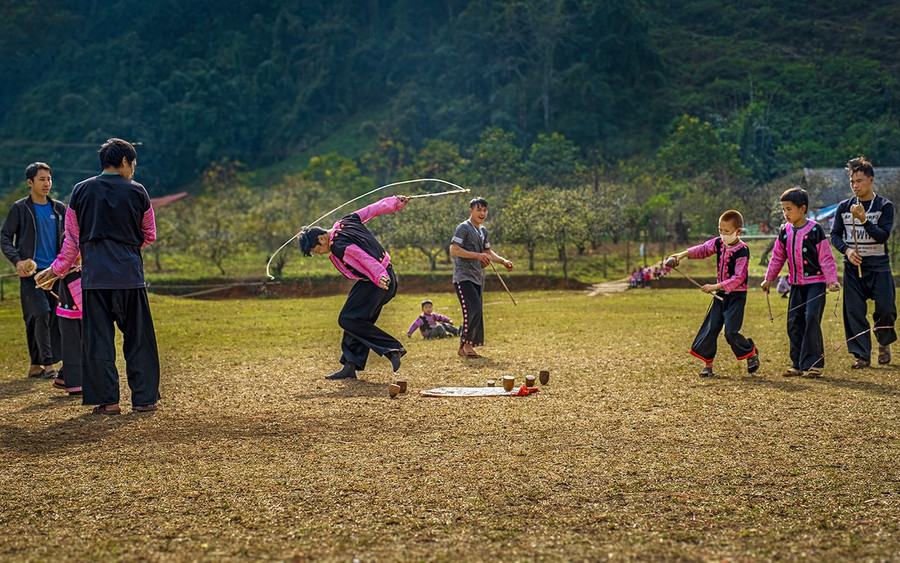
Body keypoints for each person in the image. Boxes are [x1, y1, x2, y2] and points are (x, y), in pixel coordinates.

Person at [36, 138, 160, 415]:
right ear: (125, 162)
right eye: (134, 163)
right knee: (138, 339)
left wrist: (54, 271)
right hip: (130, 277)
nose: (134, 169)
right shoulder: (139, 192)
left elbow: (71, 242)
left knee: (99, 341)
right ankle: (144, 399)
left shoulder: (80, 191)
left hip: (95, 280)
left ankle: (109, 402)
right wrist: (125, 247)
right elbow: (149, 234)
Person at [298, 195, 410, 380]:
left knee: (347, 319)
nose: (320, 254)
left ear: (321, 239)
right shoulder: (345, 221)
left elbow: (362, 258)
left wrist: (379, 276)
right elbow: (372, 209)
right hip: (381, 278)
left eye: (317, 251)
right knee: (354, 318)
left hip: (378, 279)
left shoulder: (338, 245)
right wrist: (395, 203)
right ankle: (350, 365)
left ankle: (392, 348)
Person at [667, 210, 759, 377]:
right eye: (720, 231)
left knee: (731, 331)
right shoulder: (719, 243)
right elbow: (702, 249)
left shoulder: (742, 250)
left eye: (727, 231)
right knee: (711, 328)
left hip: (736, 296)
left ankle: (751, 352)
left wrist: (716, 286)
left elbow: (739, 277)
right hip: (720, 295)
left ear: (738, 231)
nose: (723, 235)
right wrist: (681, 255)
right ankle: (708, 365)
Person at [762, 187, 840, 378]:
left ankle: (813, 364)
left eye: (789, 209)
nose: (785, 213)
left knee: (811, 317)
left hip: (816, 284)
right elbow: (777, 257)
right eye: (783, 209)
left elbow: (826, 258)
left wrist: (832, 280)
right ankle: (796, 364)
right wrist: (768, 278)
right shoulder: (784, 231)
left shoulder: (815, 230)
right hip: (796, 284)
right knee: (794, 322)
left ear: (802, 208)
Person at [829, 156, 896, 369]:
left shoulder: (885, 206)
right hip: (853, 267)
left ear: (871, 180)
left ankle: (884, 343)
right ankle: (862, 355)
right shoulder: (843, 207)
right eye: (852, 182)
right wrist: (847, 251)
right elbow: (835, 235)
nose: (855, 186)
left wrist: (864, 220)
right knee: (854, 311)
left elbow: (882, 236)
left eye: (859, 181)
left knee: (886, 308)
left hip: (879, 267)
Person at [1, 162, 64, 379]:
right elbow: (5, 237)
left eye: (49, 179)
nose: (47, 183)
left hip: (55, 273)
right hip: (31, 274)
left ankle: (36, 364)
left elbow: (67, 239)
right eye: (41, 179)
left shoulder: (59, 209)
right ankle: (48, 366)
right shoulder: (20, 208)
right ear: (30, 182)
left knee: (50, 317)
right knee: (39, 314)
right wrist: (17, 261)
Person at [450, 197, 513, 358]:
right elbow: (454, 249)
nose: (482, 213)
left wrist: (503, 261)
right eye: (479, 210)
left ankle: (464, 347)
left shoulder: (482, 231)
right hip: (463, 277)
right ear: (471, 211)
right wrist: (477, 256)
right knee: (473, 309)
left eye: (484, 210)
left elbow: (487, 253)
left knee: (476, 311)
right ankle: (467, 345)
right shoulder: (463, 228)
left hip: (477, 277)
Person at [53, 260, 83, 395]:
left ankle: (63, 377)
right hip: (72, 315)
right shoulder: (71, 270)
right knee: (73, 349)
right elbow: (79, 296)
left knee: (74, 348)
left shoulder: (71, 268)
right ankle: (75, 384)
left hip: (71, 315)